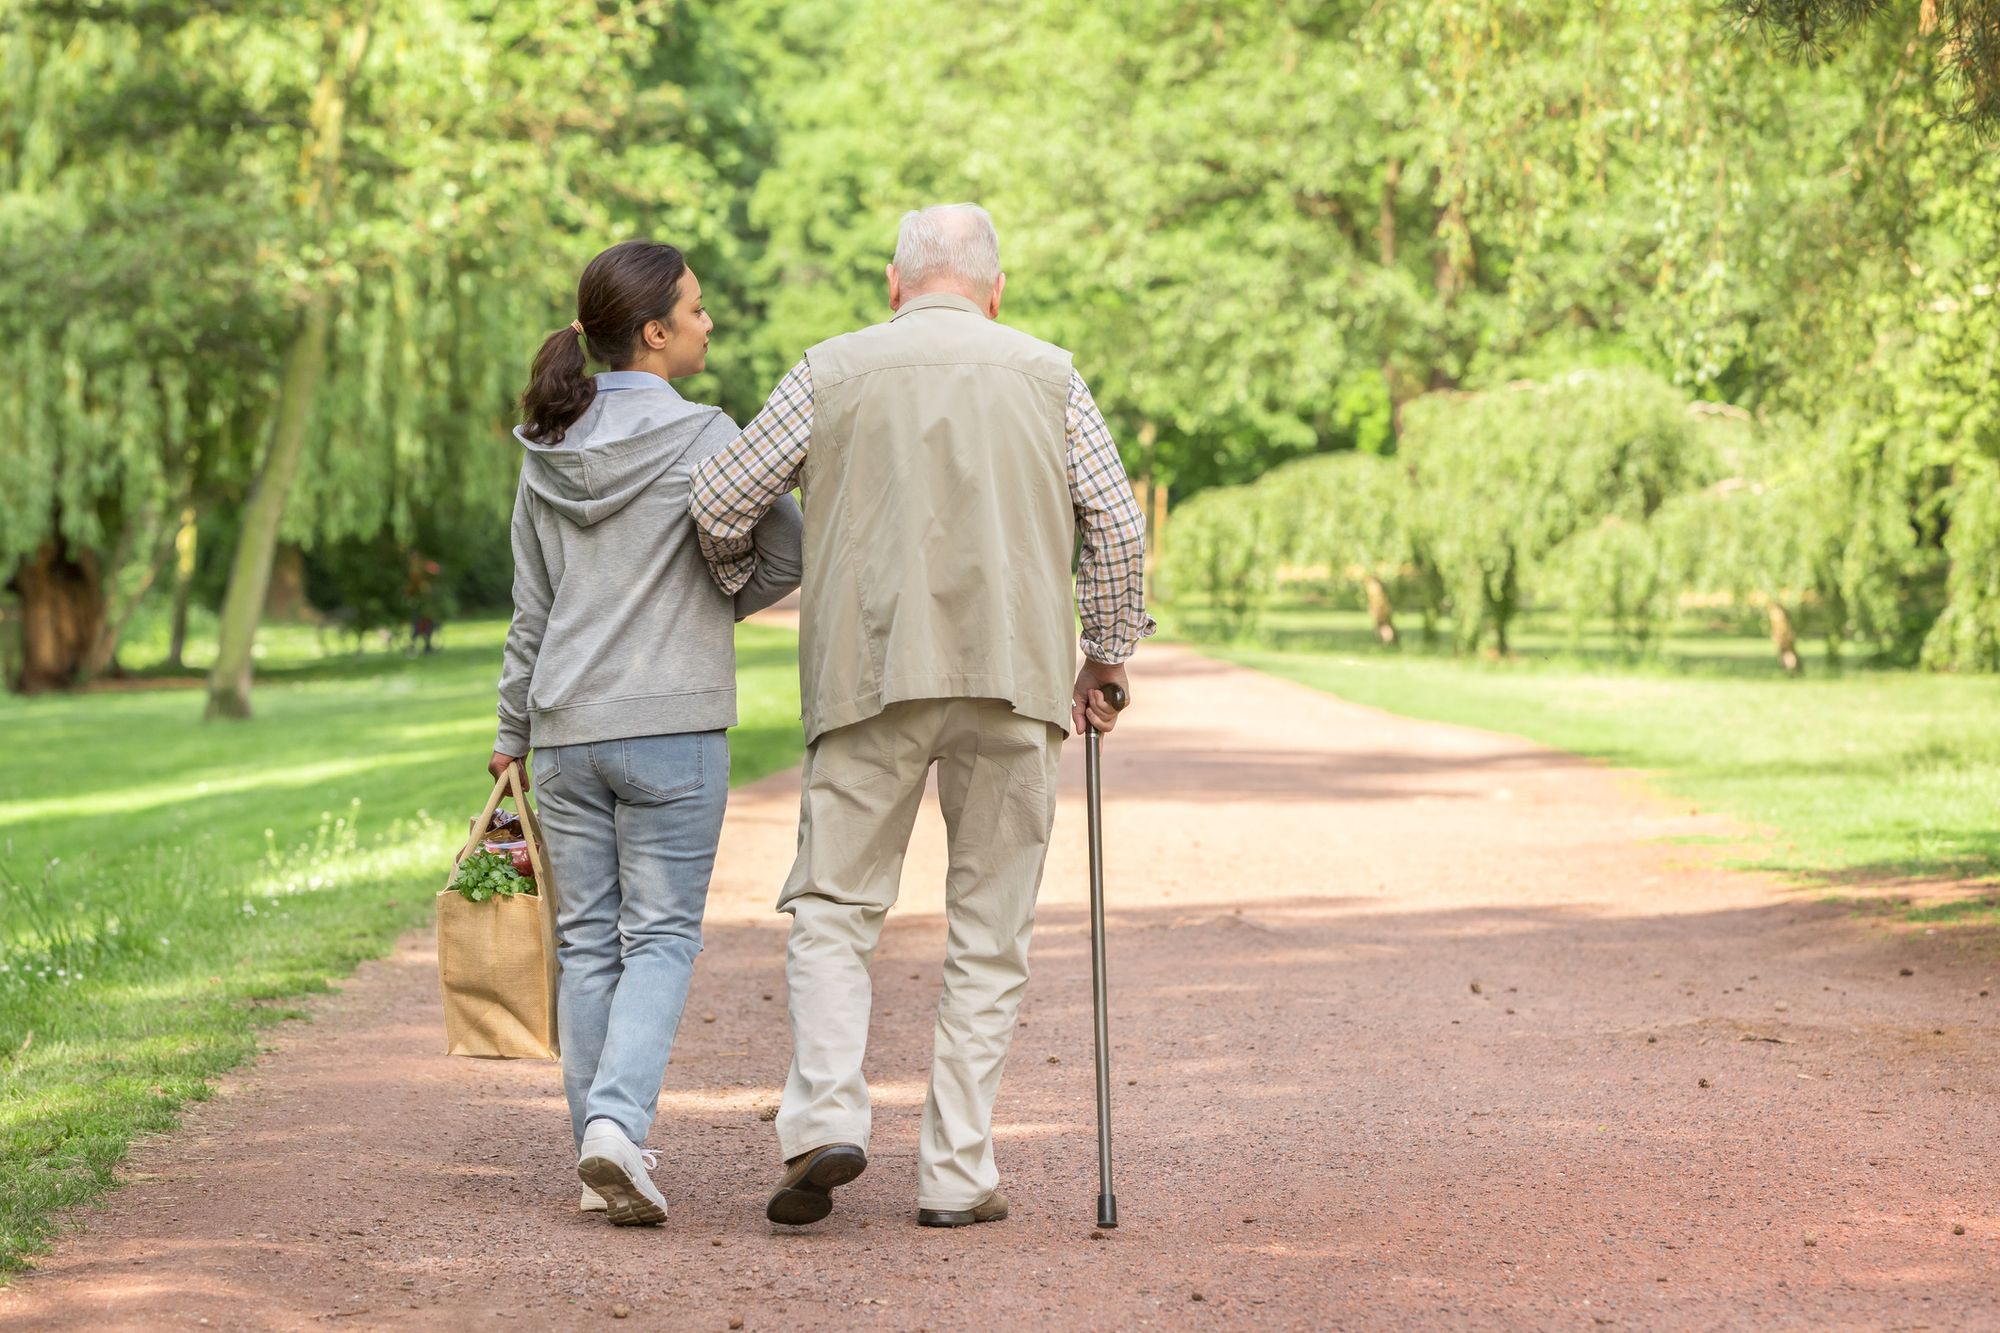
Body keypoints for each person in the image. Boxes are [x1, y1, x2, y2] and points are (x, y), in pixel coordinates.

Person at [689, 203, 1155, 1228]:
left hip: (869, 671)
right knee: (989, 932)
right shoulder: (1048, 372)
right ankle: (954, 1171)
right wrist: (1105, 656)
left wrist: (745, 577)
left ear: (893, 285)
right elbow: (1115, 527)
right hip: (1014, 674)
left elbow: (719, 499)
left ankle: (820, 1119)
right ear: (995, 290)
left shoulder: (831, 367)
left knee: (834, 908)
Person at [490, 239, 802, 1226]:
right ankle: (616, 1127)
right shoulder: (710, 434)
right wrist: (718, 601)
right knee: (660, 937)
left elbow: (529, 612)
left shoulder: (545, 448)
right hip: (673, 726)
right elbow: (787, 548)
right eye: (697, 311)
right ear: (655, 333)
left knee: (587, 947)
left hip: (566, 732)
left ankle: (599, 1144)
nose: (709, 323)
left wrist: (510, 733)